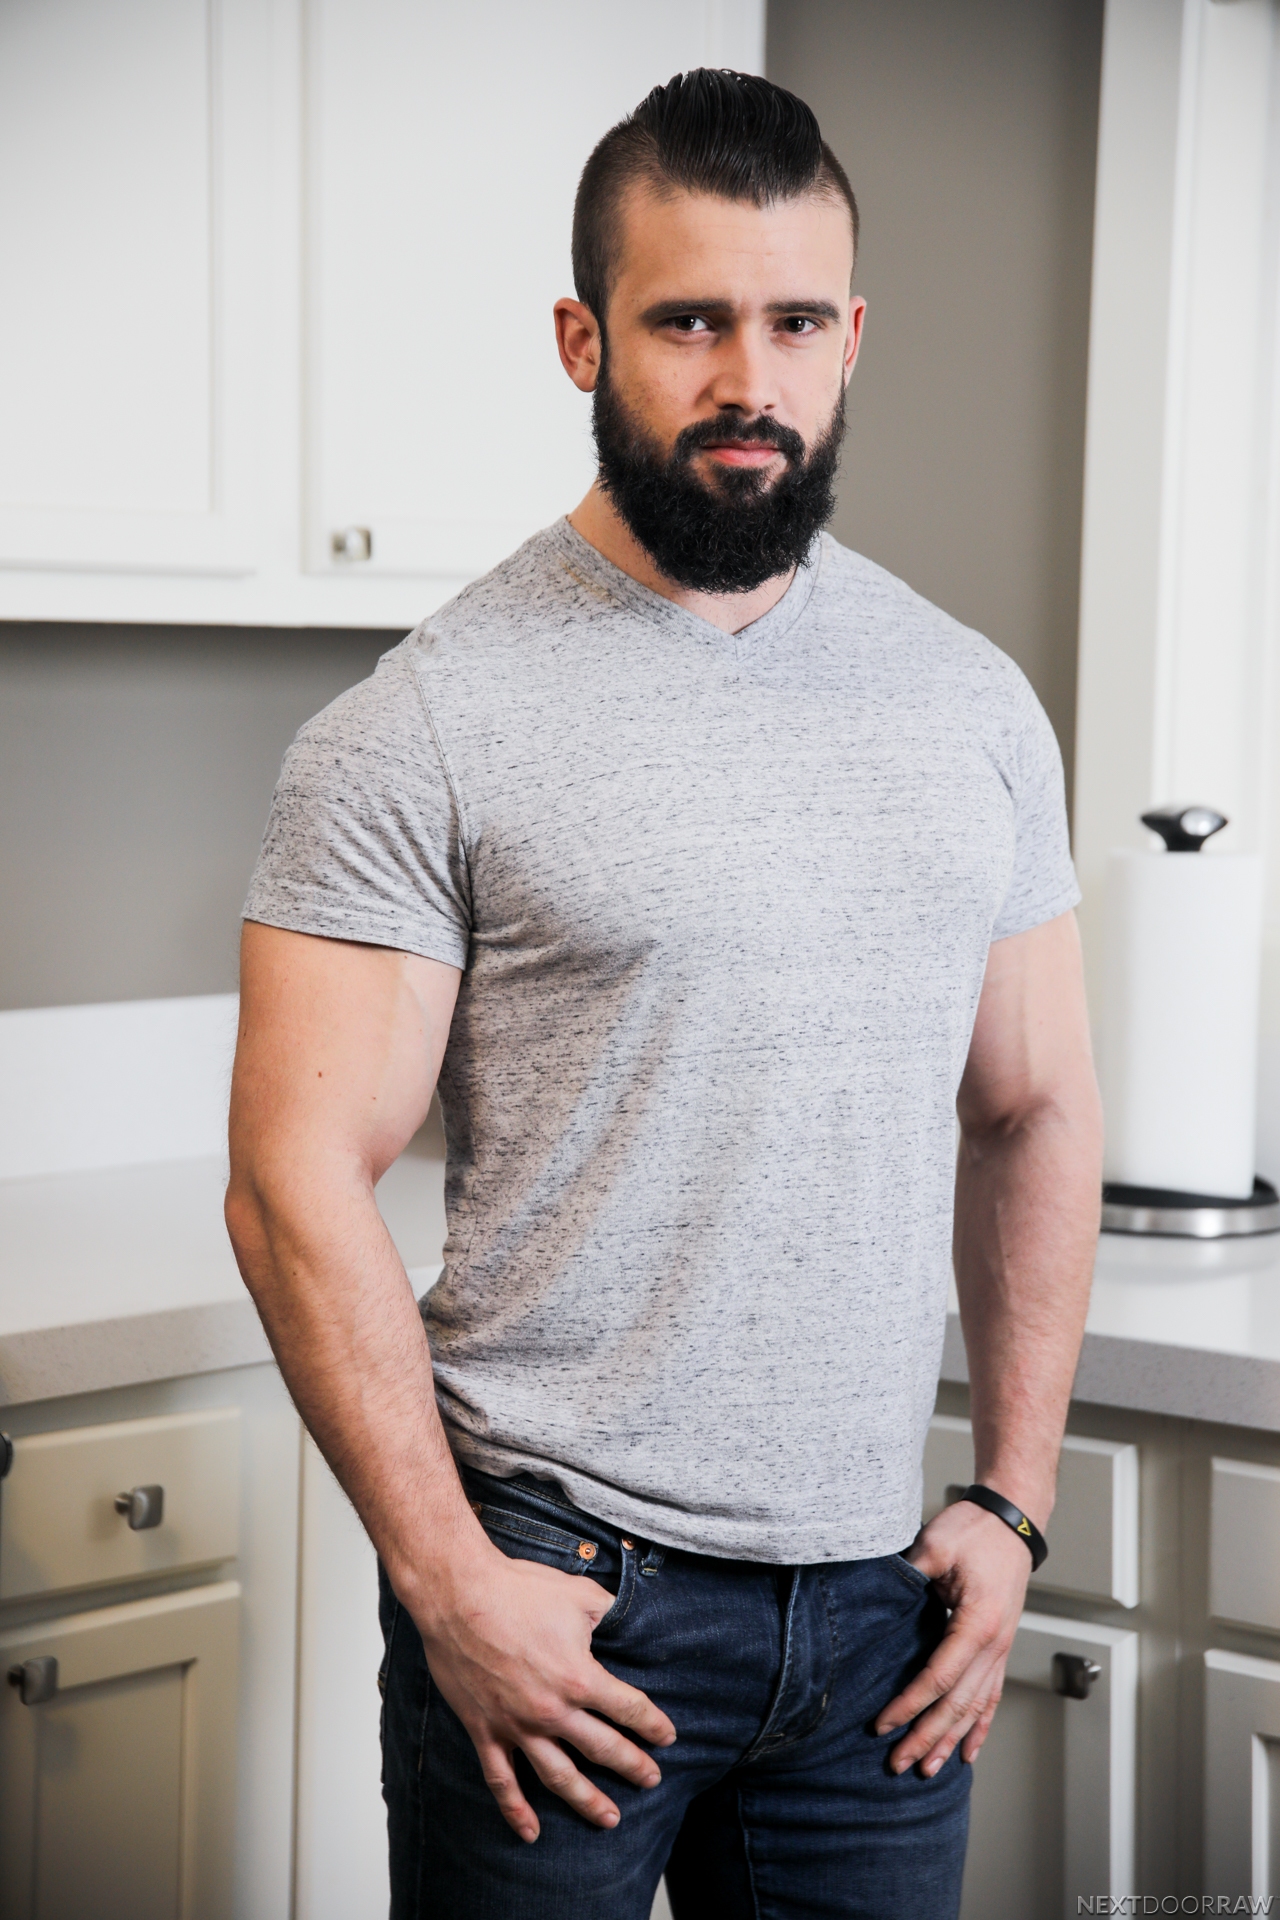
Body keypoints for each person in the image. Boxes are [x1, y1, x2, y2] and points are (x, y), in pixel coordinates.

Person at [225, 68, 1102, 1920]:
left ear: (852, 338)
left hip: (882, 1612)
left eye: (795, 324)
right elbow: (292, 1179)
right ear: (584, 339)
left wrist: (1014, 1500)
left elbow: (1032, 1105)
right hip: (560, 1594)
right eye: (689, 321)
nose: (747, 379)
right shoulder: (428, 720)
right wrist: (449, 1581)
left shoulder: (972, 704)